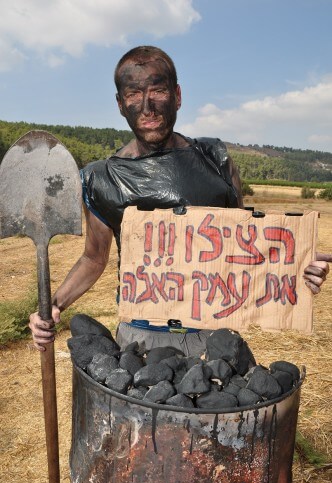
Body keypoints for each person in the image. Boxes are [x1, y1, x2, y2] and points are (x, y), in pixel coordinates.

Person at [29, 46, 331, 350]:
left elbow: (246, 245)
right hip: (141, 337)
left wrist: (294, 264)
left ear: (178, 96)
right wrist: (53, 306)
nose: (147, 106)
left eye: (158, 90)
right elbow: (93, 259)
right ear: (120, 104)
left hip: (213, 334)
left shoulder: (215, 159)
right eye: (133, 94)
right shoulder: (102, 178)